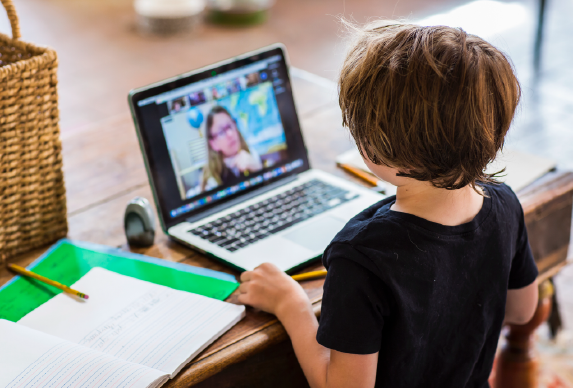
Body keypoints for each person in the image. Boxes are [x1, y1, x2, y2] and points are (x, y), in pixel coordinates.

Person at [237, 22, 539, 388]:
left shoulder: (361, 256)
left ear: (373, 148)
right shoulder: (504, 203)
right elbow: (522, 311)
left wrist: (292, 305)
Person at [202, 106, 262, 191]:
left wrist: (259, 169)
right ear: (213, 144)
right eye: (221, 132)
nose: (230, 134)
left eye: (230, 126)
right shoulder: (212, 182)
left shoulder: (252, 154)